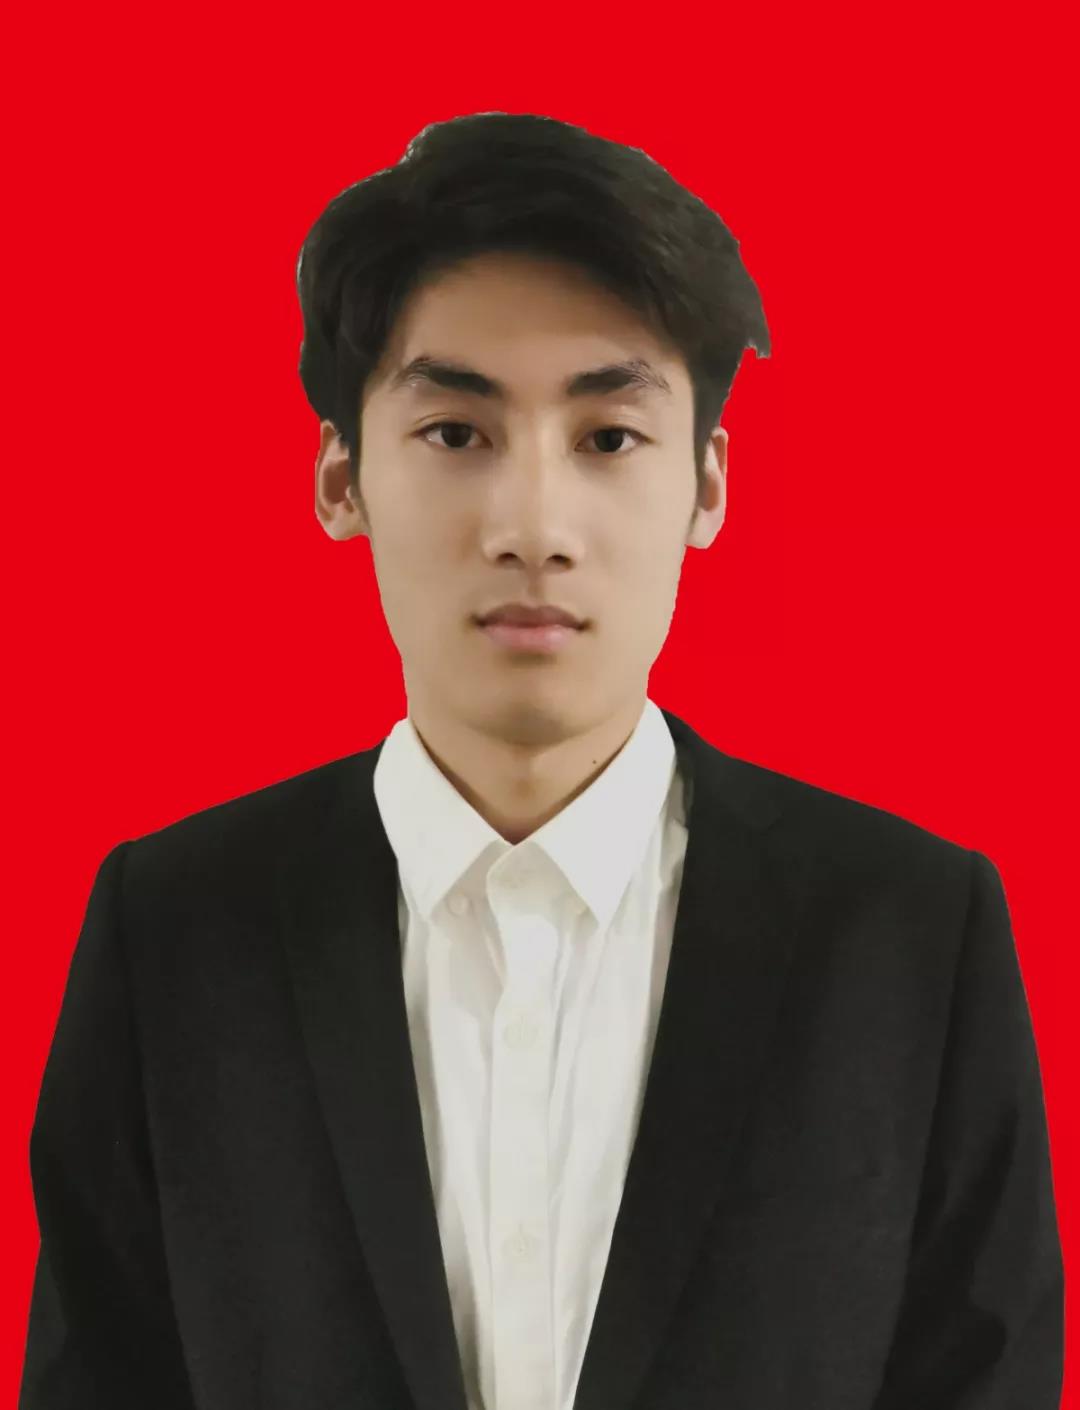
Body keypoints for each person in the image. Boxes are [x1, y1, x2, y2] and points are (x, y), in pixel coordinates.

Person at [20, 111, 1064, 1410]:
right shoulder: (175, 926)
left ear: (709, 483)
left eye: (608, 437)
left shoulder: (910, 929)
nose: (533, 525)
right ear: (341, 477)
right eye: (456, 433)